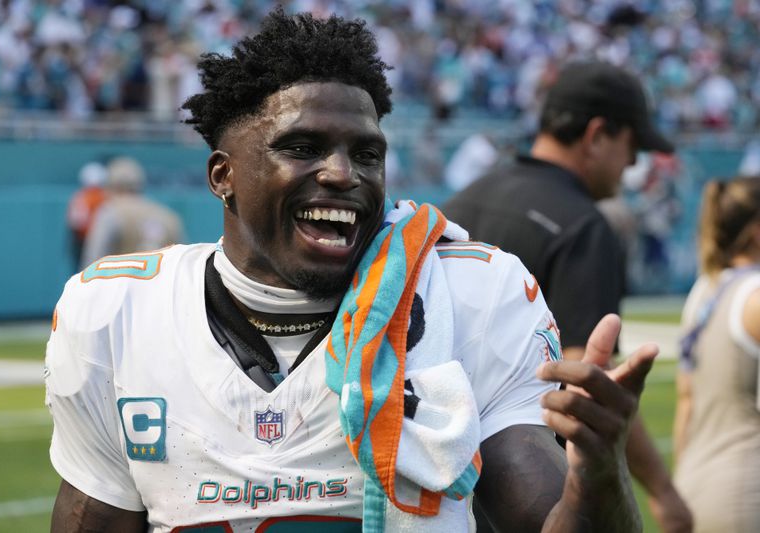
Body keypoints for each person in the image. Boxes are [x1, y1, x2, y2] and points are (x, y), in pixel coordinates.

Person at [45, 11, 659, 532]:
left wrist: (599, 468)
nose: (344, 173)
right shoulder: (116, 315)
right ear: (223, 176)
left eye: (367, 153)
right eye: (302, 147)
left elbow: (544, 517)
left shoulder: (473, 295)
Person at [442, 60, 693, 532]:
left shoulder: (462, 202)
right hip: (530, 497)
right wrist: (663, 491)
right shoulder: (583, 227)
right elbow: (588, 387)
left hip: (444, 490)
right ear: (597, 135)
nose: (634, 163)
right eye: (632, 146)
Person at [673, 177, 760, 532]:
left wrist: (677, 490)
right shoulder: (754, 294)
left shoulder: (704, 290)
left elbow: (686, 401)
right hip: (744, 493)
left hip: (695, 486)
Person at [79, 156, 185, 267]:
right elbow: (182, 264)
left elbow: (92, 262)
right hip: (163, 283)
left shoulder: (109, 212)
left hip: (120, 283)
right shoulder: (167, 215)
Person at [66, 160, 108, 270]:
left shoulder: (81, 197)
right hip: (95, 242)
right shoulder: (105, 197)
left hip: (84, 243)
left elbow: (76, 223)